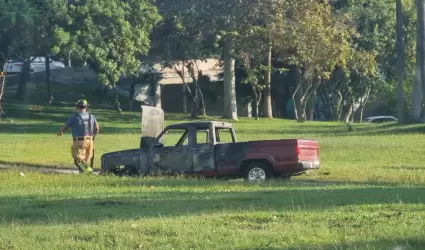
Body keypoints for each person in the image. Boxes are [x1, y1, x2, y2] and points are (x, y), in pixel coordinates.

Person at [57, 99, 99, 173]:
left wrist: (60, 132)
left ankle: (88, 171)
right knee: (86, 159)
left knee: (78, 160)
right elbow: (97, 128)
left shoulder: (75, 117)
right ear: (86, 107)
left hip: (80, 142)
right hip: (90, 141)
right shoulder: (92, 116)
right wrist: (92, 137)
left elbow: (66, 125)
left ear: (77, 107)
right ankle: (84, 173)